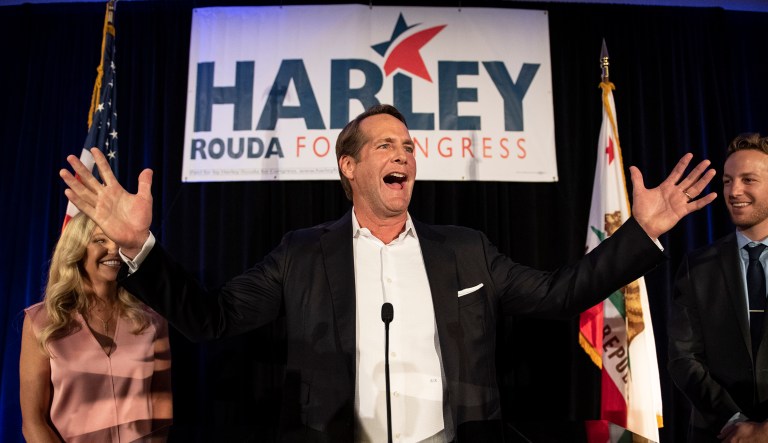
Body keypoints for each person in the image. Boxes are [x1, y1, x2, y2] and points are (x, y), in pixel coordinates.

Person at [60, 104, 715, 442]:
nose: (405, 153)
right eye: (386, 145)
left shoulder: (465, 249)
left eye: (409, 146)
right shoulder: (301, 253)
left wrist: (640, 234)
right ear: (349, 166)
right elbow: (211, 318)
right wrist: (142, 246)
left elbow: (559, 293)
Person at [19, 212, 173, 442]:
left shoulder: (152, 319)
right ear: (76, 249)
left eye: (120, 242)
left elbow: (161, 405)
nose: (114, 250)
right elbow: (33, 422)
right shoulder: (42, 321)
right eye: (100, 240)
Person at [669, 133, 768, 443]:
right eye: (727, 181)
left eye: (748, 180)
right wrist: (734, 421)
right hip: (718, 435)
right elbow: (683, 358)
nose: (734, 191)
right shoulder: (698, 266)